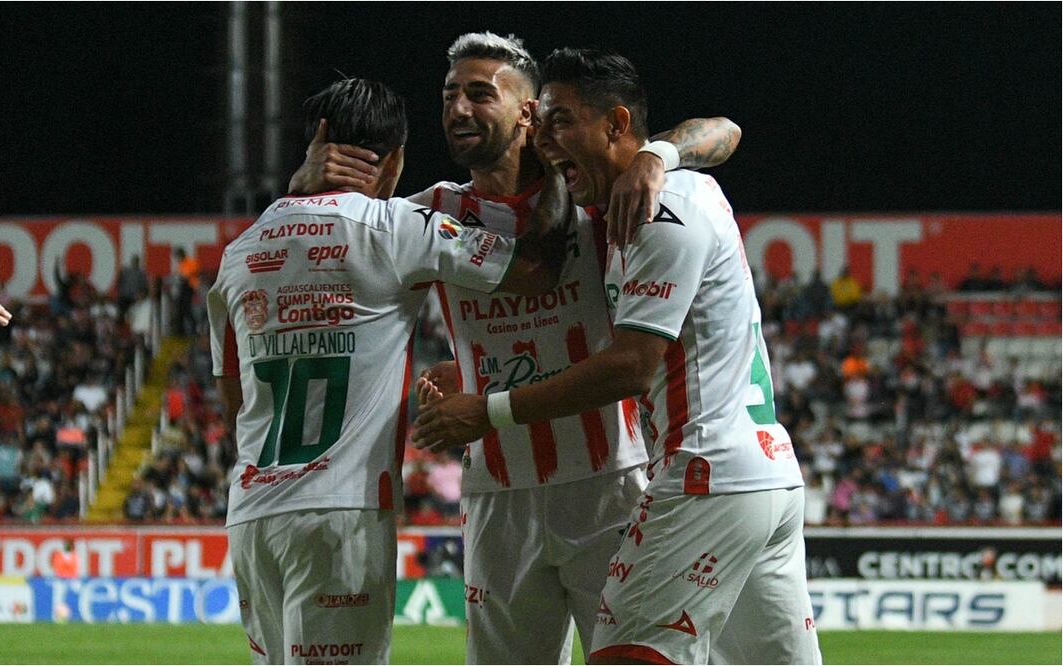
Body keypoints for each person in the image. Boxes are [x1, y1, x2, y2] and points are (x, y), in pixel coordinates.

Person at [288, 32, 742, 664]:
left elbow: (724, 131)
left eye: (480, 94)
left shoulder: (595, 194)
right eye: (450, 95)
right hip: (498, 494)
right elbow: (308, 257)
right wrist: (302, 186)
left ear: (529, 112)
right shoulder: (433, 213)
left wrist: (657, 154)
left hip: (609, 481)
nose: (459, 109)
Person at [413, 48, 821, 665]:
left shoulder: (653, 210)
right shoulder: (658, 196)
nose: (548, 139)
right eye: (543, 123)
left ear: (616, 125)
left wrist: (488, 410)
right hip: (764, 473)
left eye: (560, 121)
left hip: (698, 471)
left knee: (627, 654)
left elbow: (631, 365)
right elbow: (721, 134)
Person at [208, 75, 571, 666]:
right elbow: (537, 270)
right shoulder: (395, 228)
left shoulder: (238, 252)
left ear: (316, 142)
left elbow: (234, 399)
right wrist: (552, 169)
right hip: (342, 512)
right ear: (396, 158)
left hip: (252, 514)